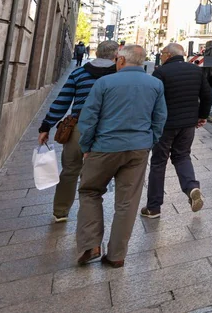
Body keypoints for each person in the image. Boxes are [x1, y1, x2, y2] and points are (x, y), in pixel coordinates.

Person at [76, 44, 167, 268]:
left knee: (90, 191)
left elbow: (89, 118)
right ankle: (116, 255)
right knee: (127, 202)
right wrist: (150, 141)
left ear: (121, 61)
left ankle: (91, 244)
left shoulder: (105, 83)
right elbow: (160, 117)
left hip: (104, 147)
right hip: (138, 148)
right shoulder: (155, 84)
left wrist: (86, 146)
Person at [38, 40, 119, 223]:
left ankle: (60, 211)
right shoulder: (118, 75)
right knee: (95, 174)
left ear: (96, 53)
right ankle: (88, 213)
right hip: (106, 130)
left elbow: (62, 101)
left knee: (70, 170)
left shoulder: (79, 72)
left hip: (78, 127)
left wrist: (46, 126)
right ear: (116, 55)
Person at [141, 43, 212, 218]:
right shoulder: (196, 71)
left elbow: (152, 99)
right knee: (182, 156)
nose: (162, 56)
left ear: (167, 55)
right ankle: (192, 188)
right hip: (188, 125)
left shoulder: (161, 73)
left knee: (158, 163)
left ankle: (153, 207)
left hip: (165, 125)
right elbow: (207, 96)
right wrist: (202, 116)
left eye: (162, 53)